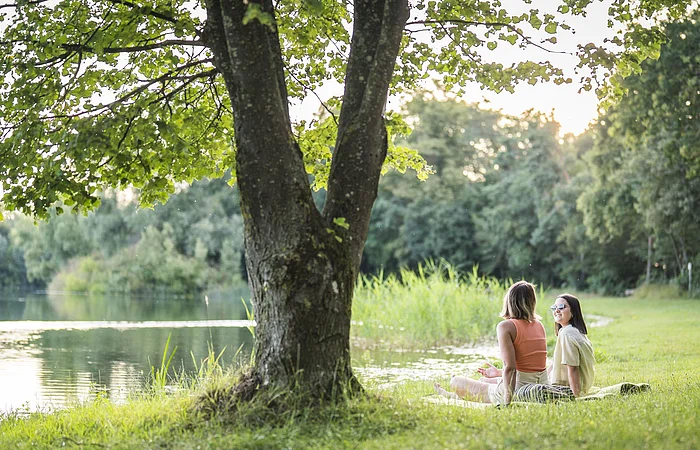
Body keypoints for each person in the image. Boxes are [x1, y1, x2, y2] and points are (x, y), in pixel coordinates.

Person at [434, 280, 547, 406]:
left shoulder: (506, 326)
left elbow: (511, 368)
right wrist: (499, 372)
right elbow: (528, 367)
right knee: (483, 379)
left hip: (519, 390)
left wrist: (507, 402)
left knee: (456, 381)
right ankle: (456, 397)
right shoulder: (539, 325)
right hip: (539, 385)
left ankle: (455, 396)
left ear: (509, 301)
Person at [548, 293, 595, 397]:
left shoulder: (567, 334)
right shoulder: (574, 331)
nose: (557, 310)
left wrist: (576, 395)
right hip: (582, 384)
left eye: (561, 307)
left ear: (573, 311)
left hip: (568, 387)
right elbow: (555, 362)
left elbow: (573, 367)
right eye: (554, 307)